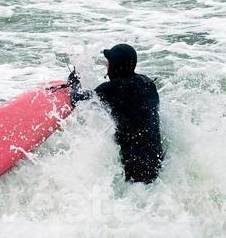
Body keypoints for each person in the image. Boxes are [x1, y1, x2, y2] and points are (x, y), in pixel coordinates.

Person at [69, 43, 164, 183]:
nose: (106, 65)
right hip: (157, 161)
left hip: (133, 166)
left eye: (108, 62)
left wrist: (74, 82)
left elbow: (76, 99)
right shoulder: (148, 84)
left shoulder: (109, 90)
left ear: (114, 65)